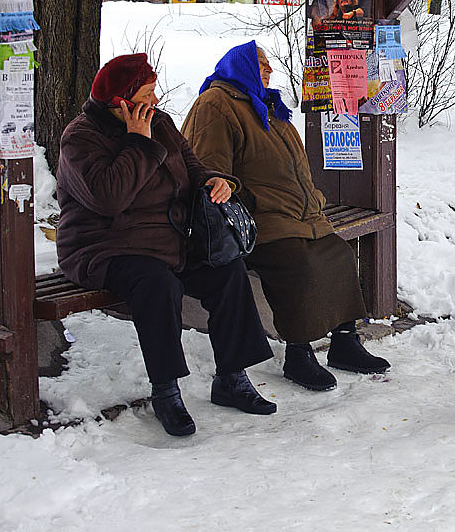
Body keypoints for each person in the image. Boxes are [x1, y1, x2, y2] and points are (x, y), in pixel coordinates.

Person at [56, 53, 276, 437]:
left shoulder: (160, 123)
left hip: (168, 239)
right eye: (147, 94)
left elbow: (192, 169)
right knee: (158, 284)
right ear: (120, 102)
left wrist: (217, 181)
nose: (155, 101)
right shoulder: (80, 137)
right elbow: (109, 198)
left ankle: (231, 377)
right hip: (104, 247)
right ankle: (166, 391)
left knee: (228, 271)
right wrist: (138, 145)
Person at [181, 41, 390, 392]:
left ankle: (344, 342)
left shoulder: (268, 106)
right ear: (240, 67)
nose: (269, 70)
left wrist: (312, 200)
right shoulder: (216, 104)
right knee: (297, 264)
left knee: (337, 253)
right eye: (261, 64)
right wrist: (240, 193)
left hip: (300, 213)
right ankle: (299, 352)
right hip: (259, 219)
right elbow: (206, 165)